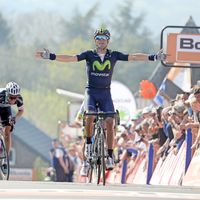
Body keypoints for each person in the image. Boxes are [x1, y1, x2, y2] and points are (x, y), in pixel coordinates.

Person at [36, 28, 167, 174]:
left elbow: (133, 57)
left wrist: (154, 57)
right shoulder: (89, 55)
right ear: (95, 40)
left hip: (105, 93)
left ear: (108, 40)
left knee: (110, 122)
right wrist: (51, 56)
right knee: (90, 116)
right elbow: (71, 58)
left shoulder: (114, 55)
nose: (101, 40)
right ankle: (88, 155)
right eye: (98, 38)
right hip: (91, 92)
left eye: (104, 38)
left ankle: (110, 155)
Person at [0, 81, 24, 156]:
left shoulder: (19, 99)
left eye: (15, 97)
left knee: (8, 131)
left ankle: (6, 157)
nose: (13, 100)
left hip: (6, 109)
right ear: (7, 94)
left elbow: (21, 110)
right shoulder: (1, 94)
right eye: (11, 97)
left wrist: (14, 119)